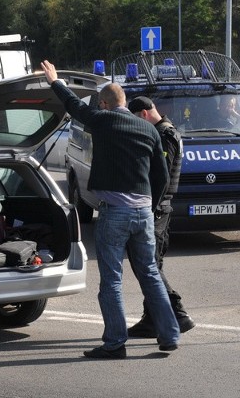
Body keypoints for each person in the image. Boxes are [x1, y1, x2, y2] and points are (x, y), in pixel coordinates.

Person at [40, 60, 179, 359]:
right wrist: (150, 206)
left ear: (104, 104)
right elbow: (162, 177)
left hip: (114, 212)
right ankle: (168, 336)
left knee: (112, 279)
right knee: (150, 274)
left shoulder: (103, 120)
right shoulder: (148, 129)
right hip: (143, 214)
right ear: (125, 102)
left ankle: (115, 343)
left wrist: (55, 81)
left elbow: (74, 106)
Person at [127, 96, 196, 338]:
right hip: (159, 208)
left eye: (135, 119)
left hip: (157, 209)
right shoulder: (163, 131)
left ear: (144, 114)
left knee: (147, 264)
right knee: (150, 262)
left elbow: (162, 177)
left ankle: (178, 313)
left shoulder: (164, 134)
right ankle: (152, 318)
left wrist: (149, 208)